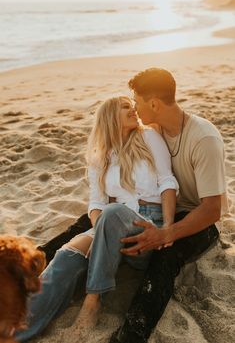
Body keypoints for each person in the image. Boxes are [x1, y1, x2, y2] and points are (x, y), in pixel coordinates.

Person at [16, 96, 179, 342]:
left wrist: (167, 227)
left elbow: (167, 182)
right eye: (126, 107)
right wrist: (99, 234)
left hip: (147, 225)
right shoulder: (99, 157)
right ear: (110, 117)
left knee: (112, 214)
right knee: (66, 256)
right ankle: (17, 326)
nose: (133, 110)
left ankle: (92, 303)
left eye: (132, 105)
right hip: (111, 224)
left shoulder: (149, 138)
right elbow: (96, 204)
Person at [109, 68, 227, 343]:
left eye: (136, 101)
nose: (135, 108)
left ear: (153, 104)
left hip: (200, 219)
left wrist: (166, 233)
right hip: (160, 207)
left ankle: (132, 335)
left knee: (165, 256)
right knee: (99, 216)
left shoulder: (203, 139)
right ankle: (39, 255)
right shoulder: (153, 132)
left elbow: (213, 209)